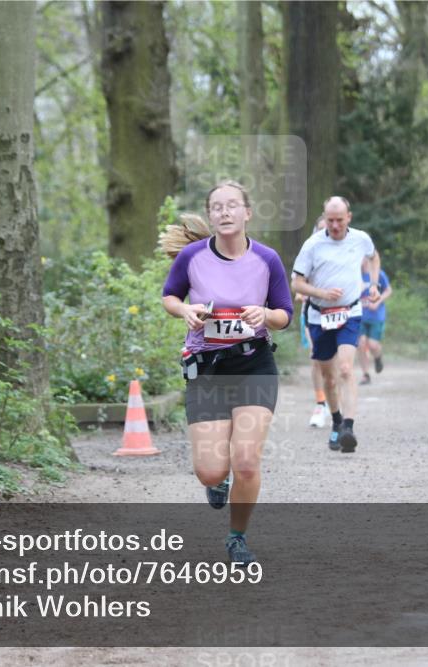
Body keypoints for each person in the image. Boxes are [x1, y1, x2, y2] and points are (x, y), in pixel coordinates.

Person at [161, 180, 293, 565]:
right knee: (209, 470)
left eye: (232, 205)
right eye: (217, 207)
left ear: (247, 213)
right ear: (210, 216)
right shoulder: (191, 257)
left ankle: (237, 537)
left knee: (247, 461)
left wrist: (265, 314)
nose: (225, 212)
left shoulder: (267, 259)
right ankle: (216, 482)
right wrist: (184, 310)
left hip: (254, 364)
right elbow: (170, 295)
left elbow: (284, 314)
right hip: (207, 369)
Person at [292, 196, 380, 453]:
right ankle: (337, 421)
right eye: (330, 220)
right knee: (329, 379)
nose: (335, 225)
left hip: (350, 312)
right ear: (324, 218)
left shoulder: (360, 239)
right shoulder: (313, 245)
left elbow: (373, 257)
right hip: (319, 315)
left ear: (349, 218)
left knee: (345, 369)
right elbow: (297, 283)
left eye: (340, 220)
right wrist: (320, 293)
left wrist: (373, 284)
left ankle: (349, 429)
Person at [297, 215, 330, 428]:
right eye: (320, 229)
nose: (324, 233)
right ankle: (320, 403)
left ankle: (333, 399)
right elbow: (298, 284)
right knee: (316, 358)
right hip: (311, 313)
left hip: (338, 315)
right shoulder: (308, 253)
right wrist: (303, 294)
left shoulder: (343, 255)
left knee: (335, 363)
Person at [357, 261, 392, 385]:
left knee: (372, 345)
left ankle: (378, 358)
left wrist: (377, 302)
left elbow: (388, 290)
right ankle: (365, 374)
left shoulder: (378, 274)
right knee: (360, 344)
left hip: (376, 316)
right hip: (359, 316)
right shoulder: (354, 274)